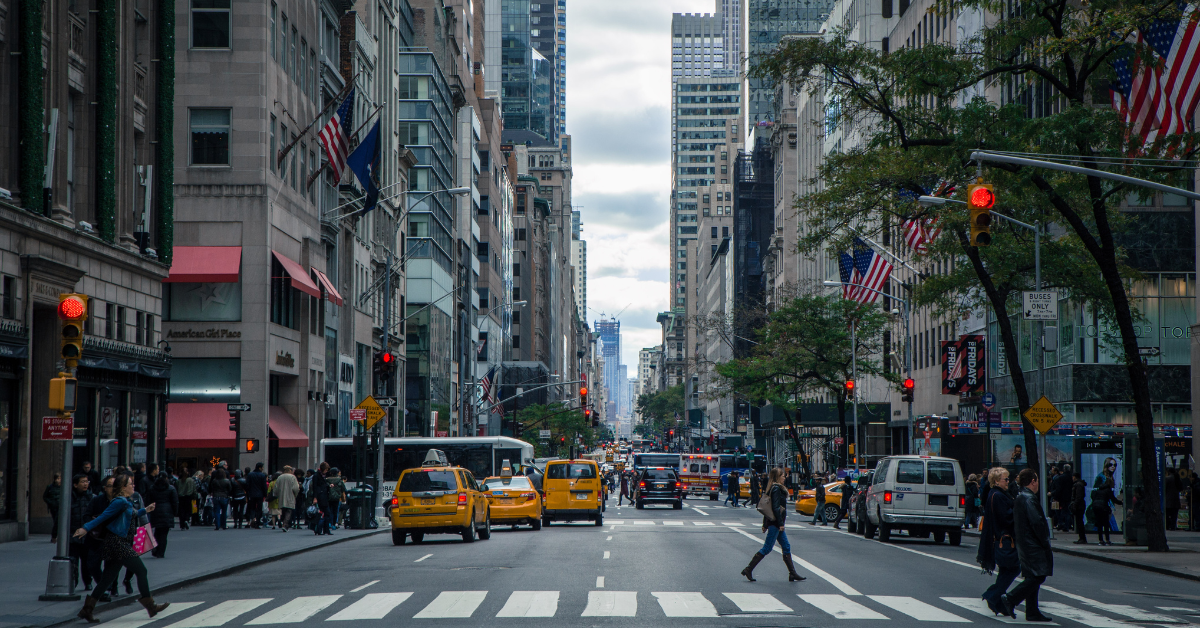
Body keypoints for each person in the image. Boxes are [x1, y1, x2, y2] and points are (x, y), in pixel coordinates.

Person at [73, 473, 168, 623]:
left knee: (106, 580)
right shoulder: (120, 502)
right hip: (118, 543)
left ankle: (87, 610)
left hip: (117, 543)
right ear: (123, 488)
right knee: (141, 571)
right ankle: (151, 606)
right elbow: (103, 516)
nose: (133, 486)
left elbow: (134, 513)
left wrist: (146, 510)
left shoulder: (125, 502)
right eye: (131, 484)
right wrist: (85, 528)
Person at [999, 469, 1053, 622]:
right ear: (1033, 481)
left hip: (1025, 543)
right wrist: (1045, 541)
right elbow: (1037, 523)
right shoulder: (1028, 498)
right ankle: (1010, 598)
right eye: (1037, 481)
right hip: (1033, 544)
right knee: (1038, 575)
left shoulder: (1021, 497)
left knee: (1032, 575)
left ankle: (1032, 611)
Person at [740, 467, 804, 582]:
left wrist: (765, 524)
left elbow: (768, 508)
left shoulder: (773, 488)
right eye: (783, 476)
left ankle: (792, 573)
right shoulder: (776, 489)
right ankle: (748, 569)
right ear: (777, 477)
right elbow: (774, 508)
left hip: (774, 523)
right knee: (767, 548)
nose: (784, 478)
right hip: (776, 524)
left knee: (786, 546)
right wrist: (780, 524)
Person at [978, 467, 1018, 615]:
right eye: (1005, 479)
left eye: (1008, 479)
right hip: (1004, 539)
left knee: (1006, 570)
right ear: (996, 481)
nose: (1008, 482)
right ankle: (992, 595)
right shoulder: (998, 496)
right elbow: (1006, 518)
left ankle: (997, 603)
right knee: (1014, 567)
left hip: (1001, 538)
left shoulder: (996, 494)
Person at [85, 476, 117, 601]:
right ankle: (105, 586)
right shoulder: (97, 500)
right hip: (96, 538)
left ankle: (107, 589)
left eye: (115, 486)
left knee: (111, 566)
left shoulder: (121, 501)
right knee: (92, 565)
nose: (112, 489)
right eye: (110, 486)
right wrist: (93, 522)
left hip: (113, 539)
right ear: (105, 488)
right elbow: (86, 515)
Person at [69, 474, 94, 590]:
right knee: (73, 561)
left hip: (87, 535)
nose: (85, 484)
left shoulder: (92, 498)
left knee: (87, 562)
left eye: (86, 481)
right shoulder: (69, 498)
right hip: (73, 535)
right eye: (82, 482)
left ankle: (88, 582)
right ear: (75, 484)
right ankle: (73, 581)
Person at [146, 474, 177, 558]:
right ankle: (161, 552)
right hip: (167, 512)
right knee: (164, 534)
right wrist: (174, 512)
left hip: (155, 511)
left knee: (157, 531)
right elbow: (175, 502)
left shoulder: (152, 488)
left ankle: (155, 548)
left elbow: (148, 500)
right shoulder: (171, 489)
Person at [1092, 477, 1122, 546]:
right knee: (1106, 524)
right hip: (1103, 507)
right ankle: (1107, 540)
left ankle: (1101, 540)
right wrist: (1121, 503)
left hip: (1096, 507)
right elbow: (1113, 499)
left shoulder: (1099, 490)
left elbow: (1094, 497)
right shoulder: (1108, 490)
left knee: (1099, 524)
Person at [273, 465, 300, 532]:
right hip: (290, 496)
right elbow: (296, 488)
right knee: (289, 511)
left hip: (282, 496)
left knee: (284, 510)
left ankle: (283, 523)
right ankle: (285, 524)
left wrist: (276, 495)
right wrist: (295, 495)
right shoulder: (292, 477)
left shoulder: (280, 477)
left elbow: (276, 488)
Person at [311, 463, 333, 535]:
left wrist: (329, 486)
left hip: (323, 496)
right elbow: (315, 487)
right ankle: (321, 529)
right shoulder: (316, 476)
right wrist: (315, 497)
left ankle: (323, 529)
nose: (326, 471)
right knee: (324, 513)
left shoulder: (322, 476)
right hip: (320, 497)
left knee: (324, 513)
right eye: (326, 469)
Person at [246, 463, 269, 529]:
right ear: (259, 468)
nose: (263, 469)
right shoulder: (262, 476)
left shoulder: (250, 475)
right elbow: (264, 486)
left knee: (252, 508)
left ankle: (253, 519)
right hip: (260, 494)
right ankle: (257, 522)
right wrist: (265, 494)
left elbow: (247, 485)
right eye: (262, 467)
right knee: (259, 509)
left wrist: (248, 493)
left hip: (252, 494)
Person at [44, 473, 63, 542]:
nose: (59, 480)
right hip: (53, 507)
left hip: (60, 507)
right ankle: (54, 536)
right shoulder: (50, 487)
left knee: (58, 521)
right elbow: (45, 497)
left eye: (60, 478)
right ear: (55, 479)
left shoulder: (63, 487)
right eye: (58, 479)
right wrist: (50, 502)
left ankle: (55, 536)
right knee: (56, 521)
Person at [1070, 472, 1088, 544]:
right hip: (1080, 505)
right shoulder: (1079, 484)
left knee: (1079, 522)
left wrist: (1075, 504)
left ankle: (1082, 538)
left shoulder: (1078, 485)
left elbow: (1078, 496)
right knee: (1079, 522)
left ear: (1074, 477)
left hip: (1079, 505)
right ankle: (1082, 538)